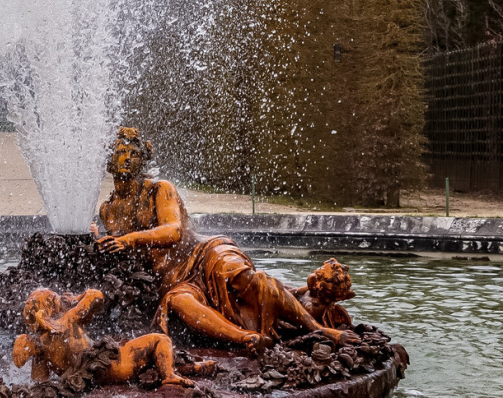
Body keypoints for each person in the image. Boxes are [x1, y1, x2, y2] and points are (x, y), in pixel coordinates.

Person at [95, 127, 360, 351]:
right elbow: (122, 254)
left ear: (143, 161)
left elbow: (173, 231)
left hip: (202, 254)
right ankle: (247, 338)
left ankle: (321, 330)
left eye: (134, 154)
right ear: (110, 161)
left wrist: (129, 239)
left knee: (244, 279)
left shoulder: (159, 189)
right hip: (174, 280)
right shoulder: (107, 210)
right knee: (179, 303)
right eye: (121, 153)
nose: (127, 158)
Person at [13, 287, 213, 386]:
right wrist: (78, 298)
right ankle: (169, 376)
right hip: (116, 366)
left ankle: (190, 368)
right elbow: (96, 295)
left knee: (150, 359)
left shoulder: (40, 345)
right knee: (160, 340)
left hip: (94, 376)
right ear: (54, 305)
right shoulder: (68, 320)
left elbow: (40, 383)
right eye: (57, 299)